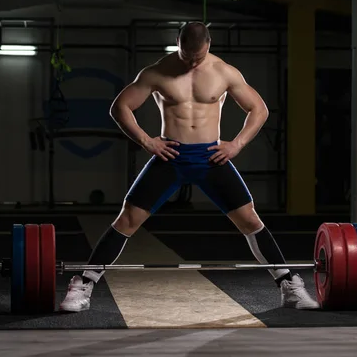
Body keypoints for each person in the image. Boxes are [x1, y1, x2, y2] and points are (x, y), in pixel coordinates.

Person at [59, 22, 320, 312]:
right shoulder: (156, 71)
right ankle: (82, 286)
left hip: (211, 157)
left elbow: (258, 109)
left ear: (208, 45)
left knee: (249, 219)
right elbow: (120, 107)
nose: (192, 62)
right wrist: (147, 142)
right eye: (187, 55)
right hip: (171, 156)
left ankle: (289, 286)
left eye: (198, 56)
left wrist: (237, 144)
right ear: (177, 43)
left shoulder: (224, 71)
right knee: (128, 218)